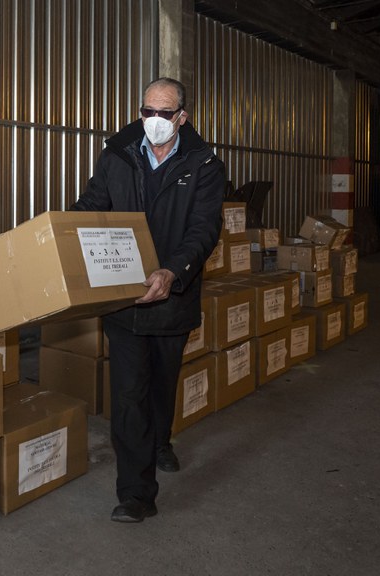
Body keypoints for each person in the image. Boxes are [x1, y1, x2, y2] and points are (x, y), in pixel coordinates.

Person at [71, 77, 225, 522]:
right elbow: (93, 205)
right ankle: (136, 494)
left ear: (182, 117)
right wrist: (54, 232)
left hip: (172, 298)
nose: (154, 120)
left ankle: (160, 440)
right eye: (147, 112)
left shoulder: (204, 165)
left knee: (160, 384)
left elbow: (203, 230)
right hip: (123, 297)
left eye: (164, 113)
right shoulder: (117, 155)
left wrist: (172, 271)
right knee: (129, 395)